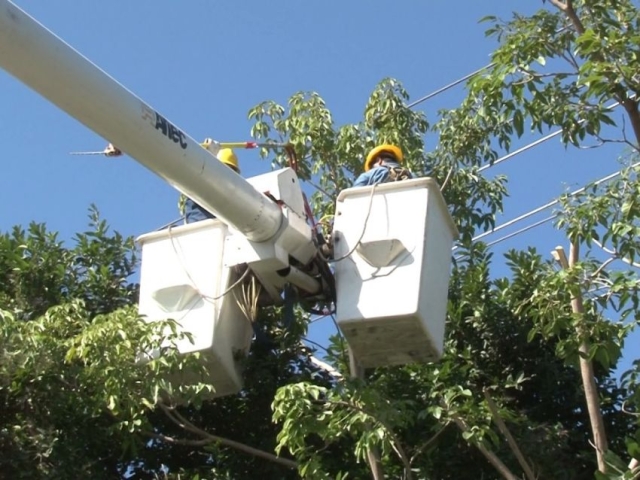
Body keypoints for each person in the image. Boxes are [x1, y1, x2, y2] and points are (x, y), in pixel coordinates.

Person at [185, 147, 241, 223]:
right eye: (225, 169)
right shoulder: (201, 181)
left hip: (218, 228)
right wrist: (207, 156)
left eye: (231, 171)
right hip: (199, 227)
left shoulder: (229, 195)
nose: (227, 175)